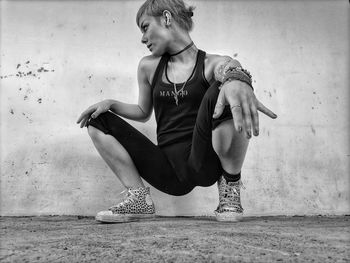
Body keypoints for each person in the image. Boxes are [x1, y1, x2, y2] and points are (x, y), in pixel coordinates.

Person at [77, 0, 277, 223]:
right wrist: (111, 103)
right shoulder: (148, 66)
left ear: (166, 18)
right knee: (98, 121)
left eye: (145, 27)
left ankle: (230, 186)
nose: (143, 39)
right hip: (168, 171)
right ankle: (139, 199)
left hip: (203, 161)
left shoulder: (211, 63)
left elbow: (228, 66)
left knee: (227, 87)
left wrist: (236, 78)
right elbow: (143, 111)